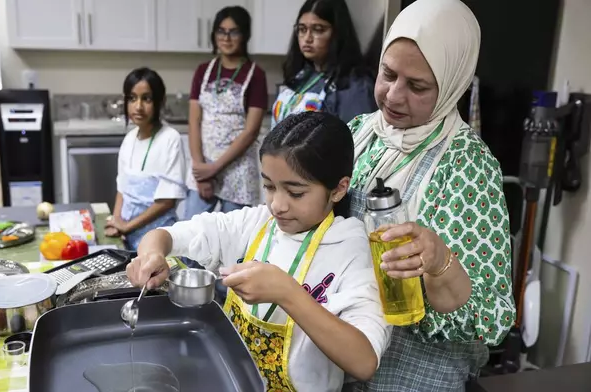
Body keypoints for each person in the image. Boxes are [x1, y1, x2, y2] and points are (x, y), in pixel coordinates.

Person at [127, 112, 390, 392]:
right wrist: (152, 254)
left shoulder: (352, 249)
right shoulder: (257, 224)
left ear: (338, 189)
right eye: (269, 186)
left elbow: (364, 361)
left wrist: (288, 294)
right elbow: (165, 236)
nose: (277, 205)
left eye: (296, 193)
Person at [346, 0, 515, 391]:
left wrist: (440, 264)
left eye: (417, 86)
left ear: (453, 84)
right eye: (387, 74)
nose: (393, 95)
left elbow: (491, 317)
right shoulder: (359, 134)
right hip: (342, 362)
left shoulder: (468, 166)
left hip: (412, 376)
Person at [186, 6, 267, 218]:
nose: (226, 37)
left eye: (234, 31)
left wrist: (215, 168)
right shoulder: (204, 70)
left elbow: (251, 131)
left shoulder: (255, 75)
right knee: (189, 234)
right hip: (202, 166)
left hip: (237, 170)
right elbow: (194, 121)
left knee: (235, 239)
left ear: (245, 35)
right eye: (221, 31)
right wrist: (201, 170)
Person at [105, 67, 186, 250]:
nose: (138, 106)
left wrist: (126, 227)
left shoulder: (170, 138)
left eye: (146, 99)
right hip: (128, 235)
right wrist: (117, 221)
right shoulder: (129, 139)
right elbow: (122, 189)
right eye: (132, 98)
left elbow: (167, 201)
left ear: (160, 101)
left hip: (159, 238)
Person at [271, 0, 376, 129]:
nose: (307, 38)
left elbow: (356, 141)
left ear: (338, 34)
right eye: (302, 29)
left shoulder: (355, 86)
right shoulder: (301, 75)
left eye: (318, 30)